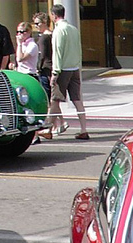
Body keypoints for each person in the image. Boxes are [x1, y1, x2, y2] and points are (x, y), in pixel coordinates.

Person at [50, 3, 90, 140]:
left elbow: (58, 52)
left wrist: (55, 72)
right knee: (77, 99)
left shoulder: (58, 31)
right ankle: (84, 128)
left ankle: (47, 128)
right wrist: (78, 65)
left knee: (55, 99)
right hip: (74, 68)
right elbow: (78, 49)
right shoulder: (73, 29)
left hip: (64, 69)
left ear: (54, 15)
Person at [33, 12, 54, 97]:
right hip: (52, 67)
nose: (36, 26)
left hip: (45, 69)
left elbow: (42, 55)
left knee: (46, 96)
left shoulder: (44, 37)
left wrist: (38, 68)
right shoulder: (53, 34)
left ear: (45, 22)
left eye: (38, 23)